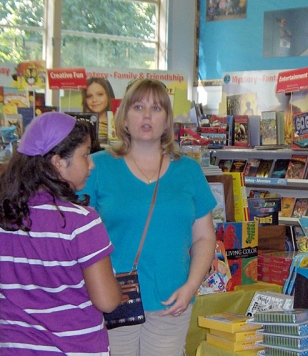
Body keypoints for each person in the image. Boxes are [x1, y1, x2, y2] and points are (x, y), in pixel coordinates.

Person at [0, 112, 121, 354]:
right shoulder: (82, 222)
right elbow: (107, 301)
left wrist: (24, 298)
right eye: (85, 155)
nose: (91, 164)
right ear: (57, 161)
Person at [79, 78, 217, 356]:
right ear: (124, 118)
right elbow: (78, 236)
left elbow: (204, 237)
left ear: (167, 120)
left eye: (156, 108)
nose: (146, 115)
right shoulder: (96, 167)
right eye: (138, 107)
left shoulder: (189, 170)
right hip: (112, 297)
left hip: (172, 298)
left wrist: (191, 286)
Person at [82, 77, 116, 143]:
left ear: (108, 95)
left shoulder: (120, 123)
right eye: (89, 96)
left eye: (100, 94)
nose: (94, 100)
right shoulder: (81, 124)